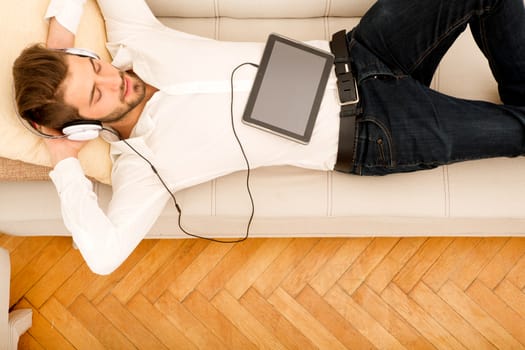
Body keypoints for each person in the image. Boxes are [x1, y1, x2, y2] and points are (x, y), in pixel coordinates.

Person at [12, 0, 525, 274]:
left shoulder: (137, 41)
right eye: (97, 97)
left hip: (363, 52)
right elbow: (102, 257)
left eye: (93, 67)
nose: (113, 80)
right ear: (82, 127)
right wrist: (64, 164)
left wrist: (58, 37)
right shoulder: (144, 169)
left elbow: (92, 47)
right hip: (374, 129)